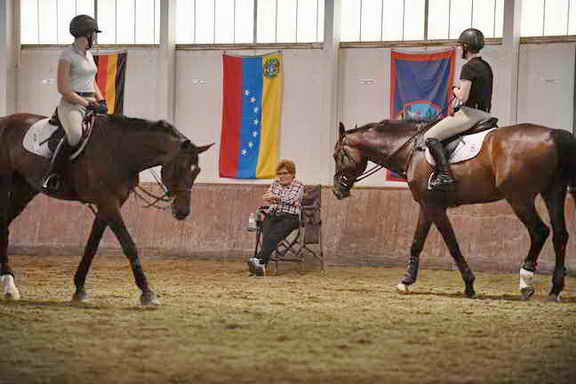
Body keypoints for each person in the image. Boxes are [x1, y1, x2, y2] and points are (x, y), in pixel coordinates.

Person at [41, 14, 108, 192]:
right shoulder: (67, 56)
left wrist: (101, 100)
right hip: (72, 104)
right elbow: (63, 88)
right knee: (75, 135)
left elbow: (91, 80)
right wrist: (87, 104)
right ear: (85, 34)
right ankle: (54, 175)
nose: (95, 37)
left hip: (92, 101)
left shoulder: (89, 55)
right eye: (93, 33)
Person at [423, 28, 494, 191]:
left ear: (466, 47)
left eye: (460, 46)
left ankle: (445, 175)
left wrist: (454, 89)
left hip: (470, 114)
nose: (459, 49)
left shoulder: (469, 67)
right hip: (485, 113)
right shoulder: (486, 66)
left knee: (430, 135)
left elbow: (463, 97)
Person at [248, 160, 304, 276]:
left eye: (285, 173)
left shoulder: (298, 185)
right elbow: (267, 196)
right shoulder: (275, 183)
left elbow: (291, 199)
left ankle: (258, 259)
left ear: (292, 174)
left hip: (290, 217)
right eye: (280, 174)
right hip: (273, 214)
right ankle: (261, 265)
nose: (282, 176)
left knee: (273, 236)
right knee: (267, 234)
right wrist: (275, 198)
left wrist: (276, 198)